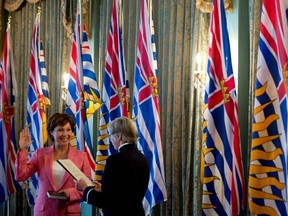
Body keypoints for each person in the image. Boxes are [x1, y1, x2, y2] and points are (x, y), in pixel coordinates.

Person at [15, 113, 91, 216]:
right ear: (51, 132)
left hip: (69, 212)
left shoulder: (82, 157)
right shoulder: (40, 154)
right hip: (44, 211)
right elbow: (21, 176)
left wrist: (69, 193)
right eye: (60, 130)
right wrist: (23, 150)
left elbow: (88, 186)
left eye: (68, 130)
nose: (65, 134)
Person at [76, 116, 150, 216]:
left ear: (119, 136)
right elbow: (122, 193)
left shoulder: (115, 160)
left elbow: (108, 201)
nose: (110, 139)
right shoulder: (142, 158)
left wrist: (85, 190)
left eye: (110, 135)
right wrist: (103, 189)